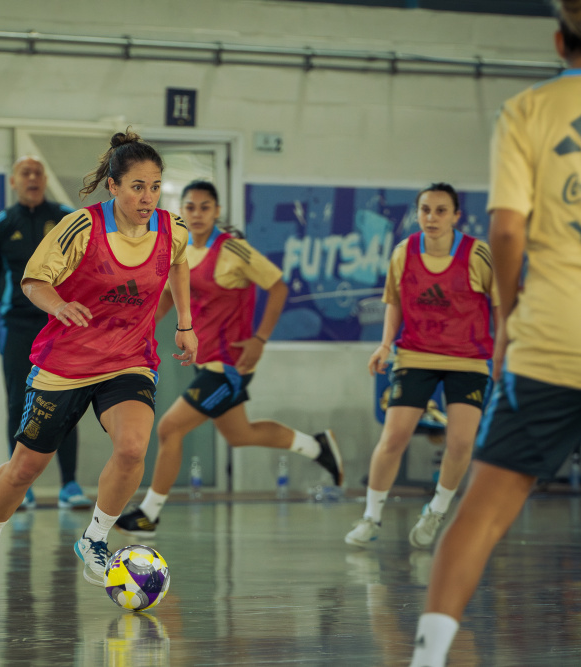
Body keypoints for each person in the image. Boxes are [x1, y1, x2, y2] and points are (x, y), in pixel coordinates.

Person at [0, 130, 197, 599]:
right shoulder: (80, 227)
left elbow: (179, 263)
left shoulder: (172, 229)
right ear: (113, 186)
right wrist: (59, 305)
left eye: (154, 186)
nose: (148, 197)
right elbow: (32, 280)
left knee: (132, 448)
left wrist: (185, 323)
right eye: (137, 187)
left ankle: (95, 539)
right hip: (66, 363)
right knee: (24, 469)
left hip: (128, 359)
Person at [409, 6, 581, 666]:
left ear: (559, 40)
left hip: (551, 340)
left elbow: (507, 230)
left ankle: (428, 657)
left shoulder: (527, 111)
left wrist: (508, 318)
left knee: (480, 513)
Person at [116, 180, 343, 537]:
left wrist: (260, 339)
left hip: (230, 366)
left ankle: (149, 514)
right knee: (240, 433)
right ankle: (318, 446)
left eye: (205, 207)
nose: (197, 214)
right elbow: (169, 297)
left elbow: (278, 287)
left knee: (169, 428)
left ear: (217, 211)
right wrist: (136, 329)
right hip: (205, 362)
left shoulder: (234, 249)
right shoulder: (179, 250)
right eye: (190, 207)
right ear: (181, 211)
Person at [345, 183, 497, 550]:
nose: (432, 217)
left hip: (468, 358)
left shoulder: (478, 254)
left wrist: (506, 353)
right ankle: (371, 516)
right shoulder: (404, 251)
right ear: (417, 214)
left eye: (441, 210)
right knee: (393, 437)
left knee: (460, 442)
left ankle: (436, 511)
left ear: (456, 216)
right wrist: (385, 345)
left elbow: (501, 304)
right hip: (415, 354)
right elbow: (394, 301)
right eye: (425, 210)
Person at [0, 156, 92, 510]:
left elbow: (84, 265)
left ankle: (69, 485)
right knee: (18, 403)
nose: (32, 178)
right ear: (13, 181)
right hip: (17, 325)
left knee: (66, 402)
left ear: (44, 180)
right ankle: (22, 487)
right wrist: (18, 298)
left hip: (60, 324)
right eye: (25, 173)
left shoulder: (66, 218)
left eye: (38, 172)